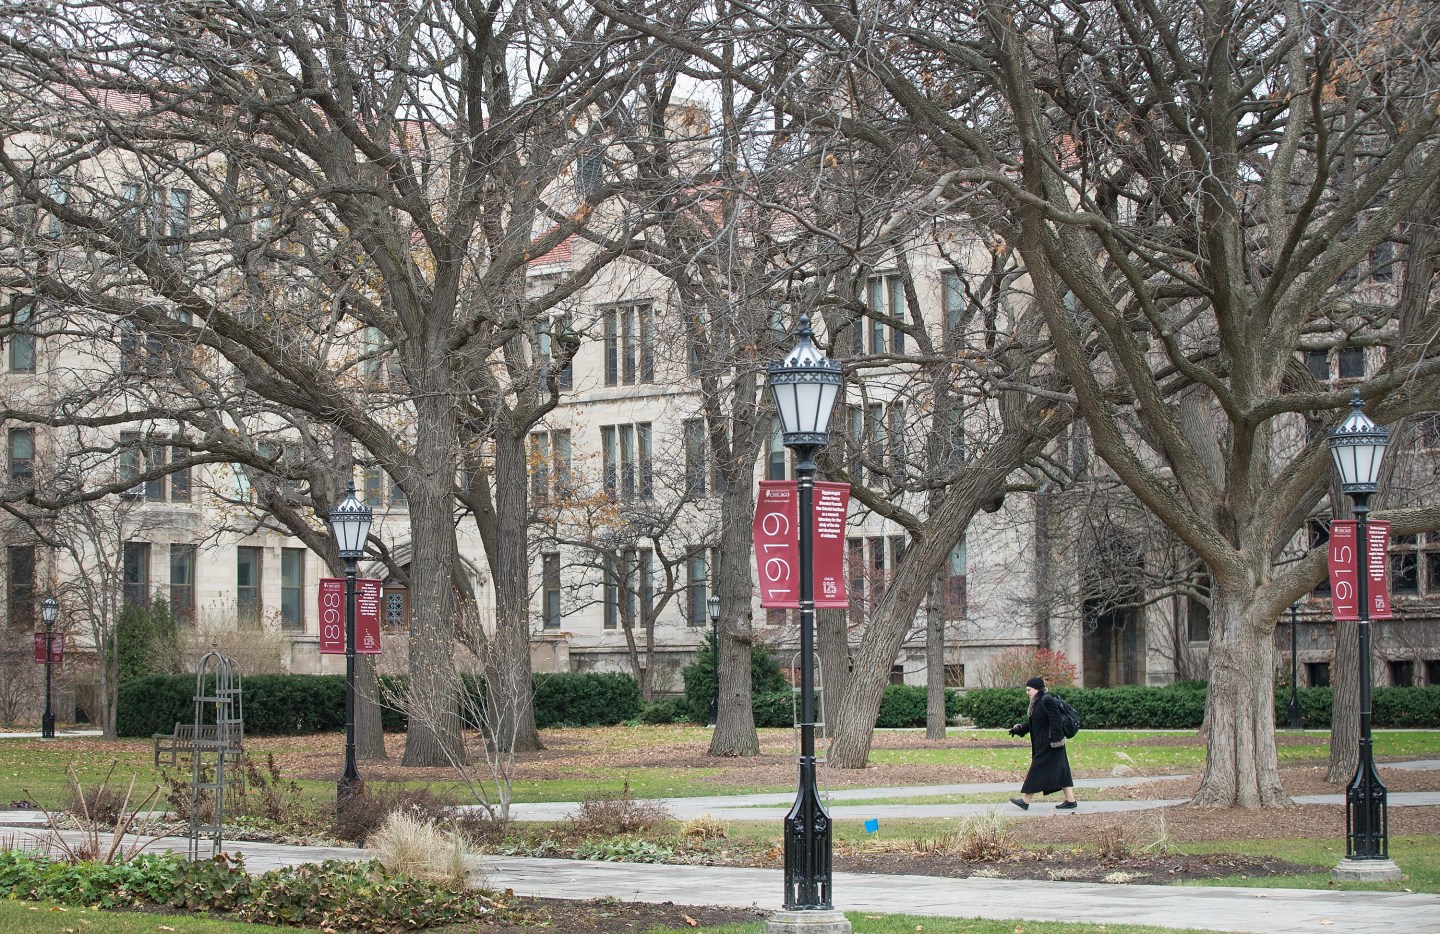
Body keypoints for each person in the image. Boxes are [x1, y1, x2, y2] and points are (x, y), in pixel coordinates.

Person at [1008, 676, 1077, 811]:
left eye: (1029, 689)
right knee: (1062, 771)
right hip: (1046, 743)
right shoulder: (1037, 702)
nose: (1027, 692)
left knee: (1037, 770)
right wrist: (1020, 729)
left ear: (1037, 689)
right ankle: (1071, 801)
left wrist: (1057, 741)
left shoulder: (1047, 700)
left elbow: (1056, 720)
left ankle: (1025, 801)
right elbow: (1034, 723)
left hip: (1051, 744)